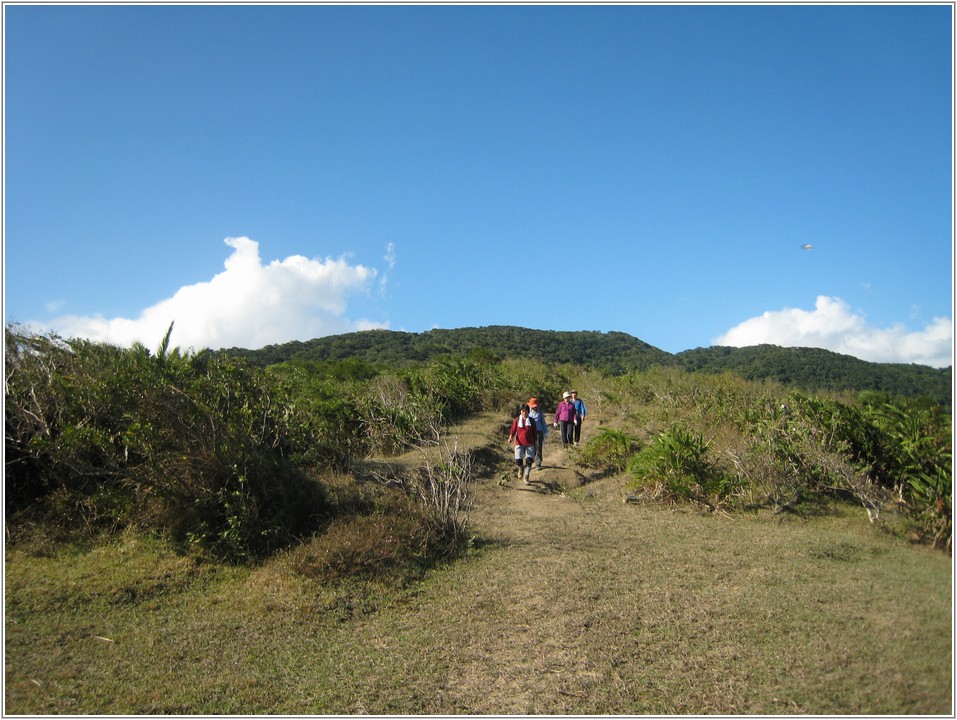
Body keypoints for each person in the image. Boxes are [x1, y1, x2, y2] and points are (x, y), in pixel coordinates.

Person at [507, 403, 538, 484]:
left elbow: (534, 432)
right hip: (519, 443)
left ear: (528, 411)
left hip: (530, 443)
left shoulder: (531, 421)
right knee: (518, 460)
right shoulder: (517, 420)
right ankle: (521, 468)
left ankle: (526, 476)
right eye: (523, 411)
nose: (524, 413)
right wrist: (510, 437)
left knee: (529, 460)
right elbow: (513, 430)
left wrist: (536, 442)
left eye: (526, 411)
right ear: (520, 411)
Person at [527, 397, 548, 470]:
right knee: (531, 447)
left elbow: (543, 422)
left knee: (538, 447)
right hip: (531, 432)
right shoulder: (528, 412)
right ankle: (530, 462)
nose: (534, 407)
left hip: (539, 432)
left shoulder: (540, 412)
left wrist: (545, 432)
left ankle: (538, 463)